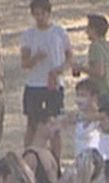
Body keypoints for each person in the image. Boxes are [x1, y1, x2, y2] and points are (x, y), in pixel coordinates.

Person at [20, 0, 73, 158]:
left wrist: (61, 70)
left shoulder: (59, 32)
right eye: (36, 14)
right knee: (32, 124)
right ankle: (28, 157)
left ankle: (56, 161)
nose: (39, 17)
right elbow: (24, 62)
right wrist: (35, 58)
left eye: (42, 14)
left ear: (48, 13)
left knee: (54, 125)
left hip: (54, 85)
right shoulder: (29, 35)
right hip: (34, 85)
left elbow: (69, 56)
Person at [76, 13, 109, 101]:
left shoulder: (95, 46)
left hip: (100, 93)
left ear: (94, 29)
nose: (86, 31)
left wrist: (81, 68)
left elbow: (99, 72)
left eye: (88, 28)